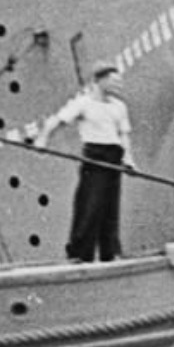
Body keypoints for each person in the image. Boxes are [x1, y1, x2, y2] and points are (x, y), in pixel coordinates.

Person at [35, 64, 135, 262]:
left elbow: (124, 135)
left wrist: (128, 159)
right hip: (94, 156)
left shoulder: (119, 106)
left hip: (114, 156)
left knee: (110, 208)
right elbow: (56, 121)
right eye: (114, 81)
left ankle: (110, 253)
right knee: (90, 205)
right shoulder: (83, 103)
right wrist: (42, 139)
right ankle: (80, 254)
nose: (119, 85)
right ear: (100, 80)